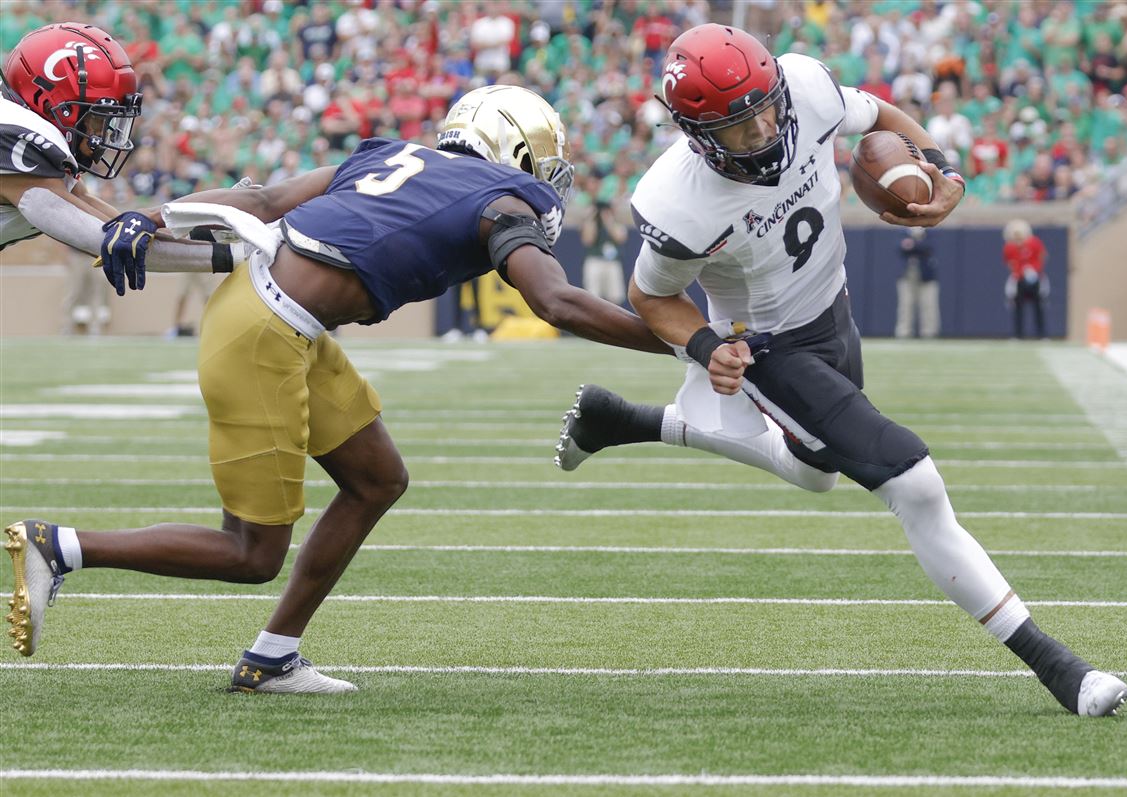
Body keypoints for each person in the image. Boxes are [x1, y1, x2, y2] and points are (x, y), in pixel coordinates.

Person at [5, 85, 671, 693]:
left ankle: (272, 657)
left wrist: (146, 215)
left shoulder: (393, 155)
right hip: (266, 330)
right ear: (516, 149)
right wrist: (677, 337)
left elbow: (263, 201)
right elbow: (556, 301)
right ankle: (58, 546)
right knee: (251, 552)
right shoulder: (499, 198)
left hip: (274, 315)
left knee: (378, 478)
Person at [553, 24, 1127, 717]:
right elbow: (650, 295)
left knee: (816, 470)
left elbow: (878, 116)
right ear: (698, 135)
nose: (766, 128)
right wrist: (707, 346)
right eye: (741, 127)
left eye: (768, 108)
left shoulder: (804, 85)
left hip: (834, 311)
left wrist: (942, 166)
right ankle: (1058, 664)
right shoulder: (679, 201)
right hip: (770, 344)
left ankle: (628, 420)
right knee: (914, 483)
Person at [0, 24, 243, 288]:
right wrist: (237, 256)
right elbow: (107, 238)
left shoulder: (45, 162)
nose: (104, 135)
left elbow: (123, 226)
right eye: (96, 119)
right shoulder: (17, 140)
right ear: (50, 104)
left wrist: (204, 227)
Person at [1002, 219, 1049, 339]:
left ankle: (1041, 334)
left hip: (1035, 278)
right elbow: (1009, 262)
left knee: (1039, 306)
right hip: (1019, 279)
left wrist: (1034, 270)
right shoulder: (1009, 247)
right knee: (1017, 306)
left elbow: (1042, 256)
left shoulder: (1034, 243)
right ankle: (1018, 335)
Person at [580, 199, 629, 305]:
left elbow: (620, 238)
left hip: (612, 263)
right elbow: (588, 240)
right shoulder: (592, 223)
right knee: (592, 297)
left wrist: (608, 220)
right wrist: (590, 218)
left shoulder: (616, 223)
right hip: (594, 261)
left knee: (615, 297)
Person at [894, 227, 939, 339]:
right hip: (907, 275)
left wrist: (913, 245)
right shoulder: (902, 232)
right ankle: (904, 332)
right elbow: (900, 247)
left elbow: (928, 248)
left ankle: (929, 332)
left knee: (928, 304)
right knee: (905, 304)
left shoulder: (930, 233)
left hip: (926, 275)